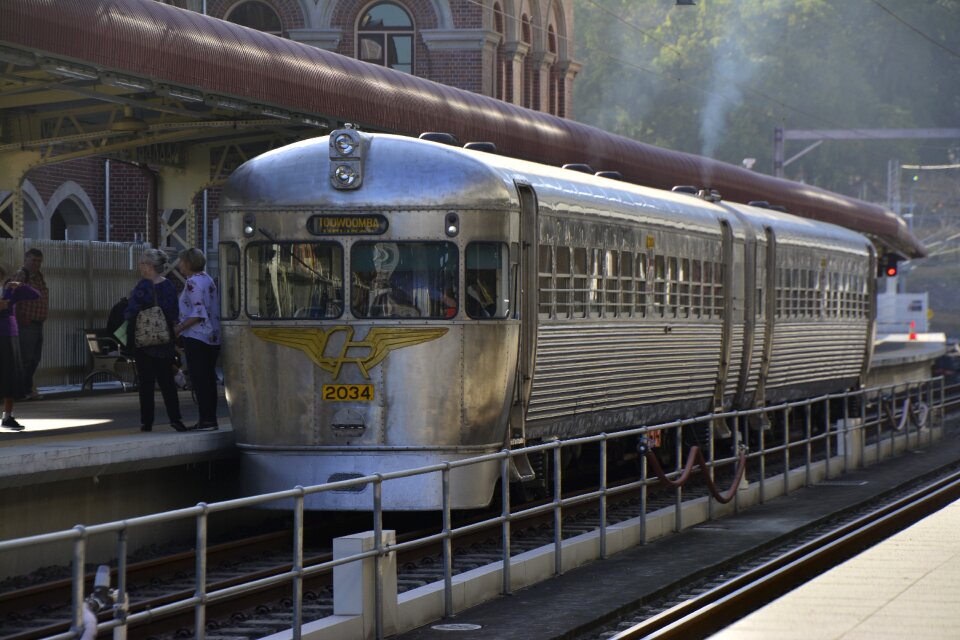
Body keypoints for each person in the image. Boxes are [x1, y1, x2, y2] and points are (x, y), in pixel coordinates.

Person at [125, 249, 186, 433]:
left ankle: (147, 422)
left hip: (144, 343)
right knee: (167, 382)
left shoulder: (142, 286)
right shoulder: (168, 286)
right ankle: (175, 419)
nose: (140, 267)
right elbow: (174, 312)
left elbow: (131, 310)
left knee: (146, 384)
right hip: (163, 340)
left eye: (142, 263)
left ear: (150, 266)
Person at [174, 248, 221, 430]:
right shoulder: (207, 279)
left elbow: (198, 312)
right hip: (213, 336)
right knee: (208, 379)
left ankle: (206, 420)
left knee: (199, 379)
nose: (179, 265)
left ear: (187, 263)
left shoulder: (192, 282)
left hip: (197, 336)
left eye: (181, 261)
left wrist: (179, 328)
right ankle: (210, 418)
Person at [0, 264, 40, 431]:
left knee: (10, 375)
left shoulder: (9, 289)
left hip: (8, 334)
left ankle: (8, 416)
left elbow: (35, 295)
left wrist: (21, 285)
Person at [13, 248, 49, 400]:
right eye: (33, 260)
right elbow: (13, 298)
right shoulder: (22, 275)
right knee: (25, 358)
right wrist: (20, 317)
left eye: (39, 261)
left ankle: (26, 389)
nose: (36, 264)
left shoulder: (39, 276)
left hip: (37, 323)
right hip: (26, 323)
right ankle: (21, 390)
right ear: (26, 259)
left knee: (34, 358)